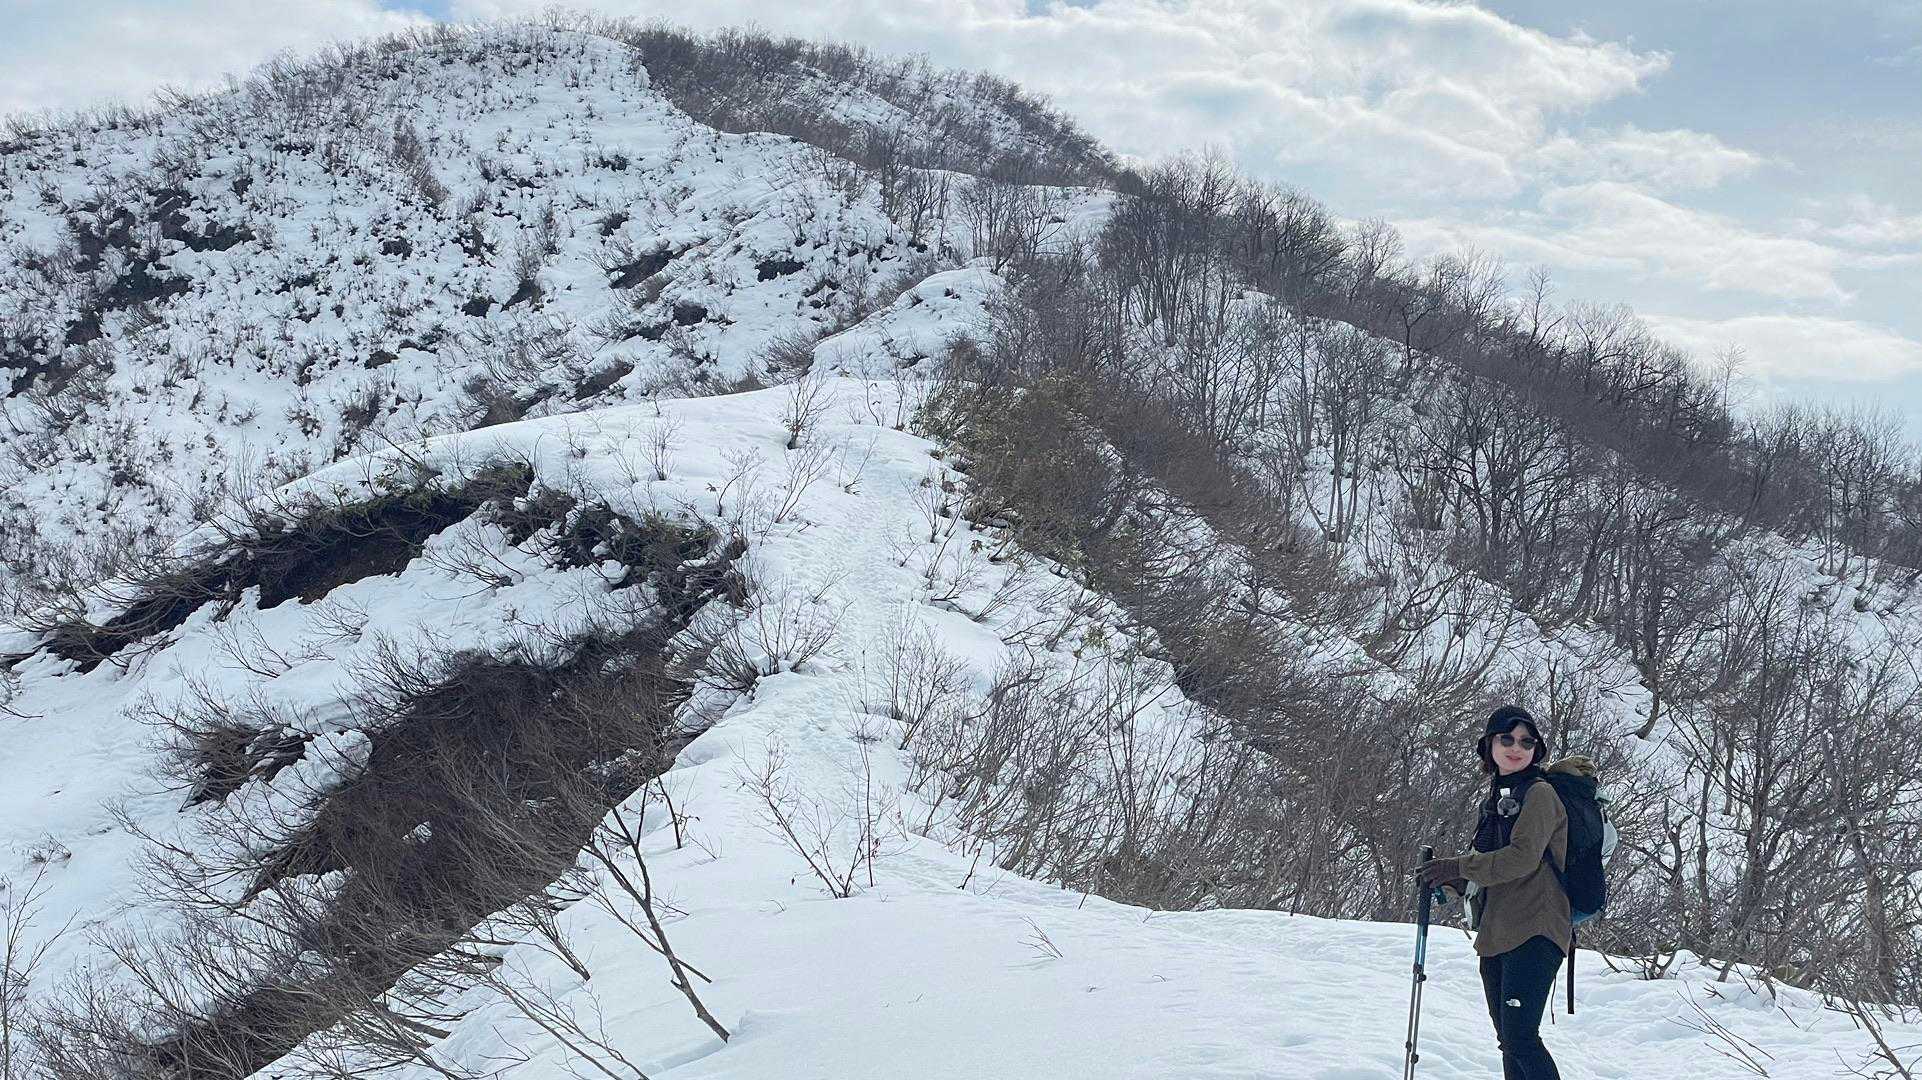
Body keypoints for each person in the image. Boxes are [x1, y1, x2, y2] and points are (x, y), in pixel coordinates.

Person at [1417, 705, 1569, 1080]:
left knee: (1520, 1038)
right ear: (1489, 744)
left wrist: (1459, 867)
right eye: (1507, 739)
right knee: (1509, 1040)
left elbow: (1522, 858)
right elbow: (1491, 862)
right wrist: (1455, 879)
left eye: (1526, 742)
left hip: (1535, 927)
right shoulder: (1498, 798)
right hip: (1498, 931)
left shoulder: (1539, 794)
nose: (1516, 747)